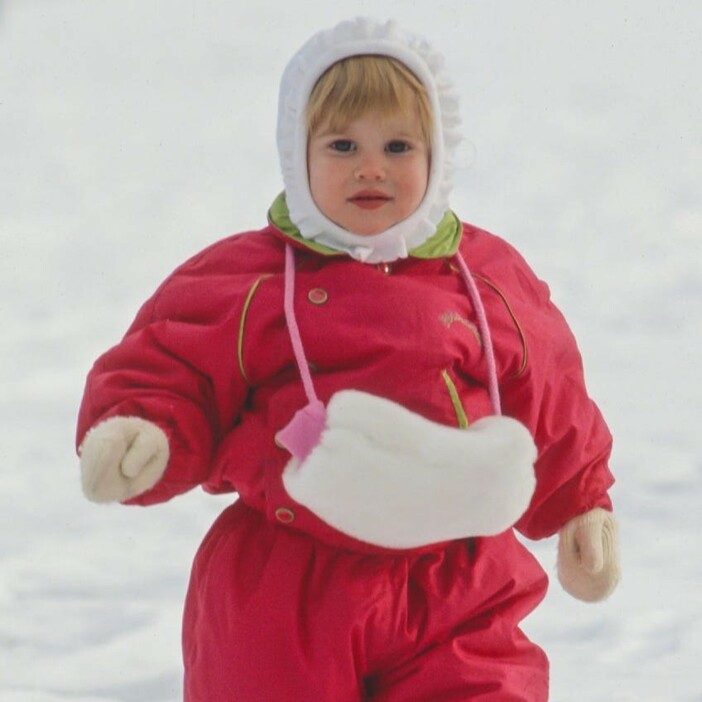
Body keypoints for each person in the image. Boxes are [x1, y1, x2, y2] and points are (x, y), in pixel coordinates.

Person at [76, 17, 620, 701]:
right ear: (296, 156)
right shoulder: (246, 280)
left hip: (456, 577)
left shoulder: (486, 277)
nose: (371, 166)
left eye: (398, 145)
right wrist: (147, 429)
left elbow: (549, 391)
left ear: (439, 156)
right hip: (286, 583)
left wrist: (581, 501)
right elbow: (172, 364)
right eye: (342, 144)